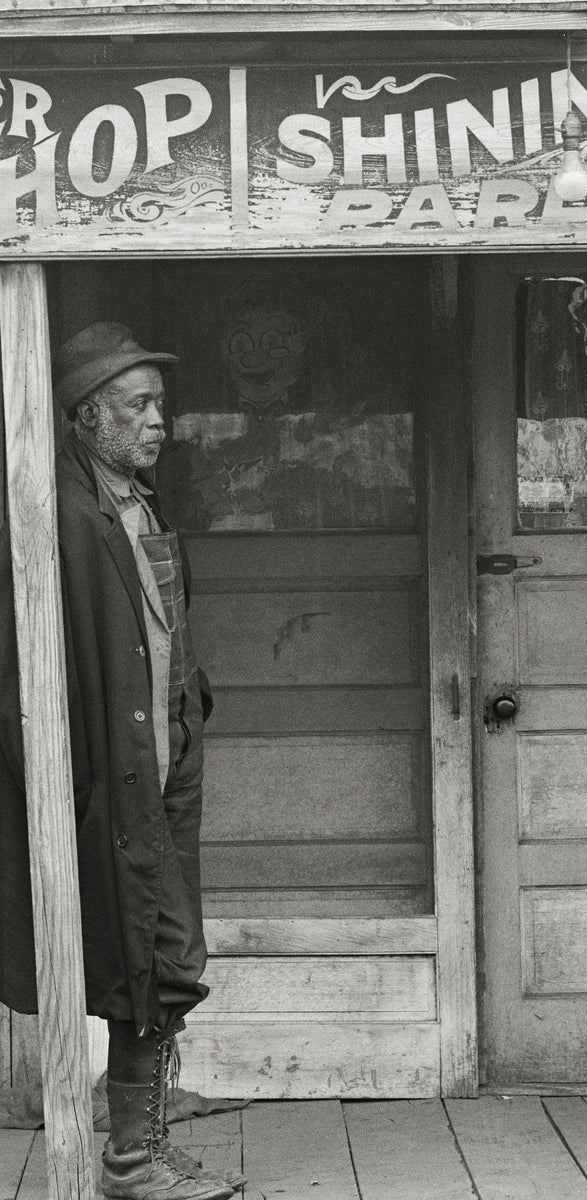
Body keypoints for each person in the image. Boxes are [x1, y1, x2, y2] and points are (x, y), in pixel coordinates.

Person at [0, 323, 246, 1200]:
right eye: (138, 406)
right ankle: (131, 1161)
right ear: (83, 415)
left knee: (167, 950)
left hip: (166, 763)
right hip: (115, 774)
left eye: (160, 406)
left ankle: (145, 1142)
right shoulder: (55, 515)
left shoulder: (134, 500)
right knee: (148, 952)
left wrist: (190, 711)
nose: (158, 423)